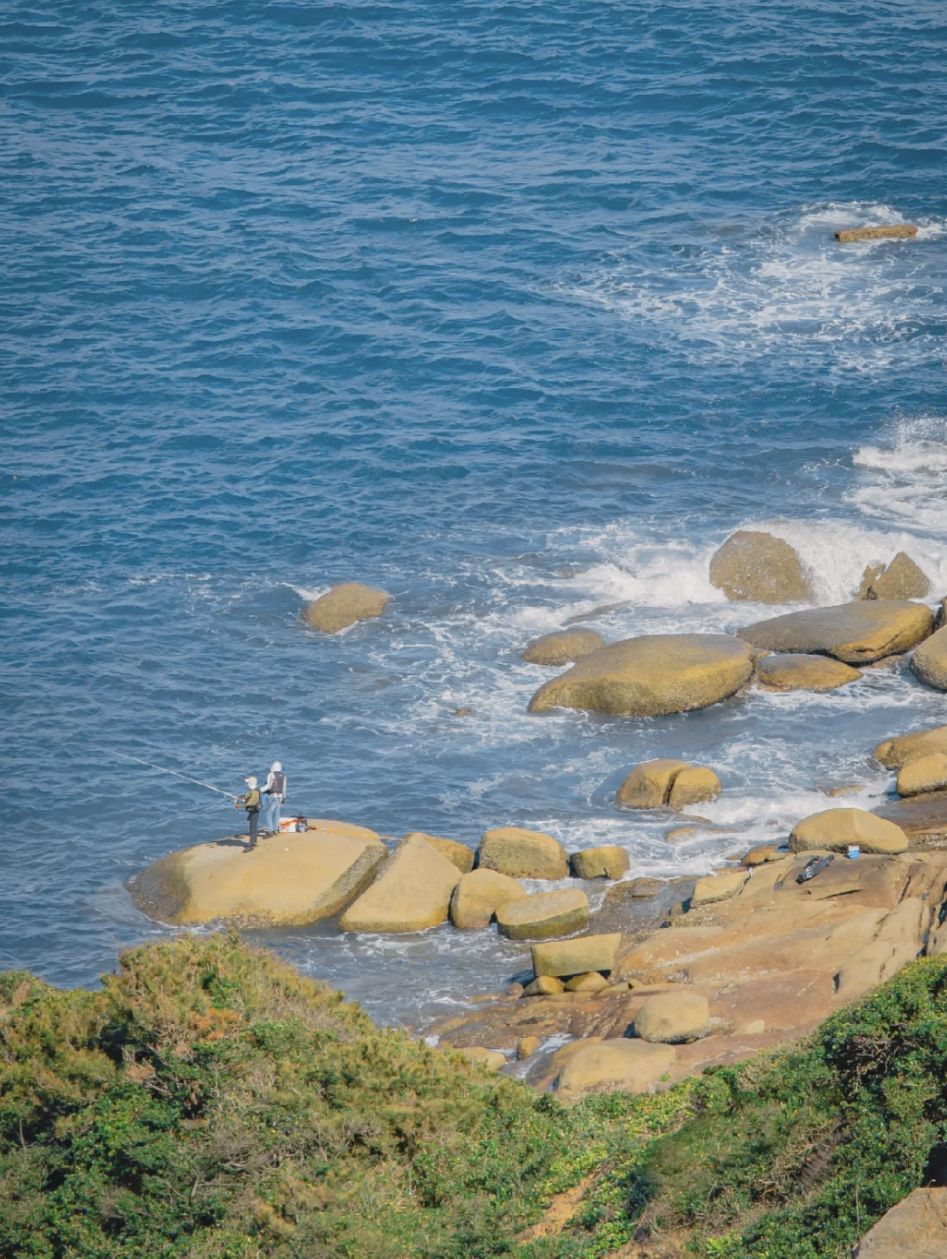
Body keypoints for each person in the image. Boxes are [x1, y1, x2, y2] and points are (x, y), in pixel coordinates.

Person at [235, 776, 262, 851]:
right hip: (255, 811)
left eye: (248, 783)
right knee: (254, 826)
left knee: (252, 827)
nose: (247, 784)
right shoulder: (257, 790)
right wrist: (241, 797)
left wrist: (239, 806)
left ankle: (251, 844)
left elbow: (249, 803)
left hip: (254, 811)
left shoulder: (254, 792)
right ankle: (254, 841)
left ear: (251, 784)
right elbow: (250, 799)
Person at [262, 761, 286, 835]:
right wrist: (284, 799)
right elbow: (284, 788)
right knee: (277, 813)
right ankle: (275, 829)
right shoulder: (283, 776)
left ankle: (270, 831)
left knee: (268, 813)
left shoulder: (271, 774)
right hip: (280, 797)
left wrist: (260, 790)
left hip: (272, 797)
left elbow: (268, 786)